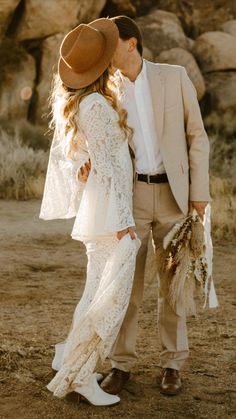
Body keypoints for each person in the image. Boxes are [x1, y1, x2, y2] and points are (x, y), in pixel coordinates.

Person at [79, 16, 211, 396]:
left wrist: (198, 193)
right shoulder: (104, 91)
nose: (106, 53)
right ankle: (122, 364)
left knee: (174, 285)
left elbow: (196, 136)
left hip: (175, 196)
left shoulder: (174, 76)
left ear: (131, 44)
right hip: (130, 198)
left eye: (111, 44)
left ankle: (173, 363)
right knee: (126, 286)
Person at [39, 18, 140, 406]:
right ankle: (79, 373)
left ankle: (73, 358)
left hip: (102, 211)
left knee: (97, 290)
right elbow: (111, 168)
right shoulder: (96, 105)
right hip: (111, 216)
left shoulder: (82, 102)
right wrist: (124, 223)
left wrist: (88, 169)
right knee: (107, 297)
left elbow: (90, 163)